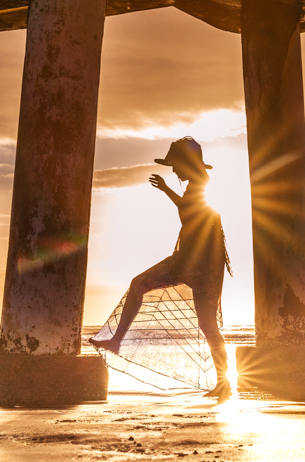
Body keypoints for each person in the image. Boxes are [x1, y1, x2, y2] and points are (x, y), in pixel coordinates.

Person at [91, 137, 231, 400]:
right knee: (207, 323)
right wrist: (168, 190)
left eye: (176, 165)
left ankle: (117, 340)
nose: (174, 170)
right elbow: (190, 210)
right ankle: (224, 383)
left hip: (194, 259)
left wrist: (167, 190)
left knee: (138, 284)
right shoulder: (197, 183)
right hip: (202, 261)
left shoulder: (199, 183)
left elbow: (191, 211)